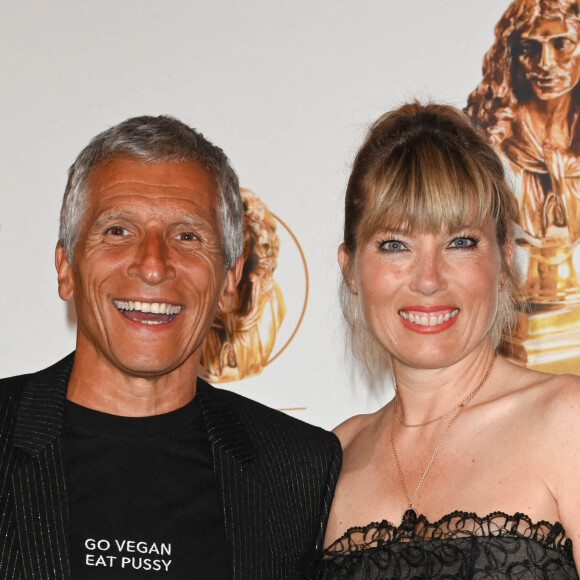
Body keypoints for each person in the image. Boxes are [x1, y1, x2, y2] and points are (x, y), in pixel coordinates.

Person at [0, 115, 341, 579]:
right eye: (118, 230)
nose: (154, 265)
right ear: (65, 267)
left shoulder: (300, 470)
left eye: (187, 236)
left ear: (229, 281)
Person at [317, 102, 580, 578]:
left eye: (460, 241)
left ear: (504, 259)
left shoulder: (567, 420)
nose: (428, 279)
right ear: (350, 269)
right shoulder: (329, 460)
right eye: (395, 244)